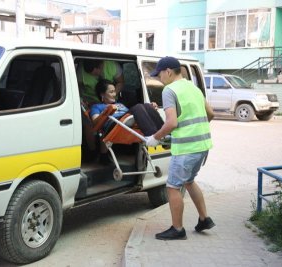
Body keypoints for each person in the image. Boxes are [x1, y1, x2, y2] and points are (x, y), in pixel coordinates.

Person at [145, 56, 215, 240]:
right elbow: (211, 114)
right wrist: (194, 129)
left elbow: (172, 122)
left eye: (159, 74)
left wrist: (155, 138)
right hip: (202, 146)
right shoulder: (194, 88)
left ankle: (177, 229)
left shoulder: (169, 90)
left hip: (185, 149)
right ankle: (204, 219)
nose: (159, 79)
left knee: (173, 187)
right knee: (189, 181)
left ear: (168, 71)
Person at [91, 79, 164, 164]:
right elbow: (95, 122)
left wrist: (149, 109)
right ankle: (152, 135)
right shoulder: (97, 106)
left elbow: (131, 115)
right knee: (138, 107)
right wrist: (106, 112)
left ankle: (164, 134)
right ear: (102, 94)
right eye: (111, 92)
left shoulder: (120, 104)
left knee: (148, 106)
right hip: (114, 124)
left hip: (126, 120)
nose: (114, 94)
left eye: (115, 91)